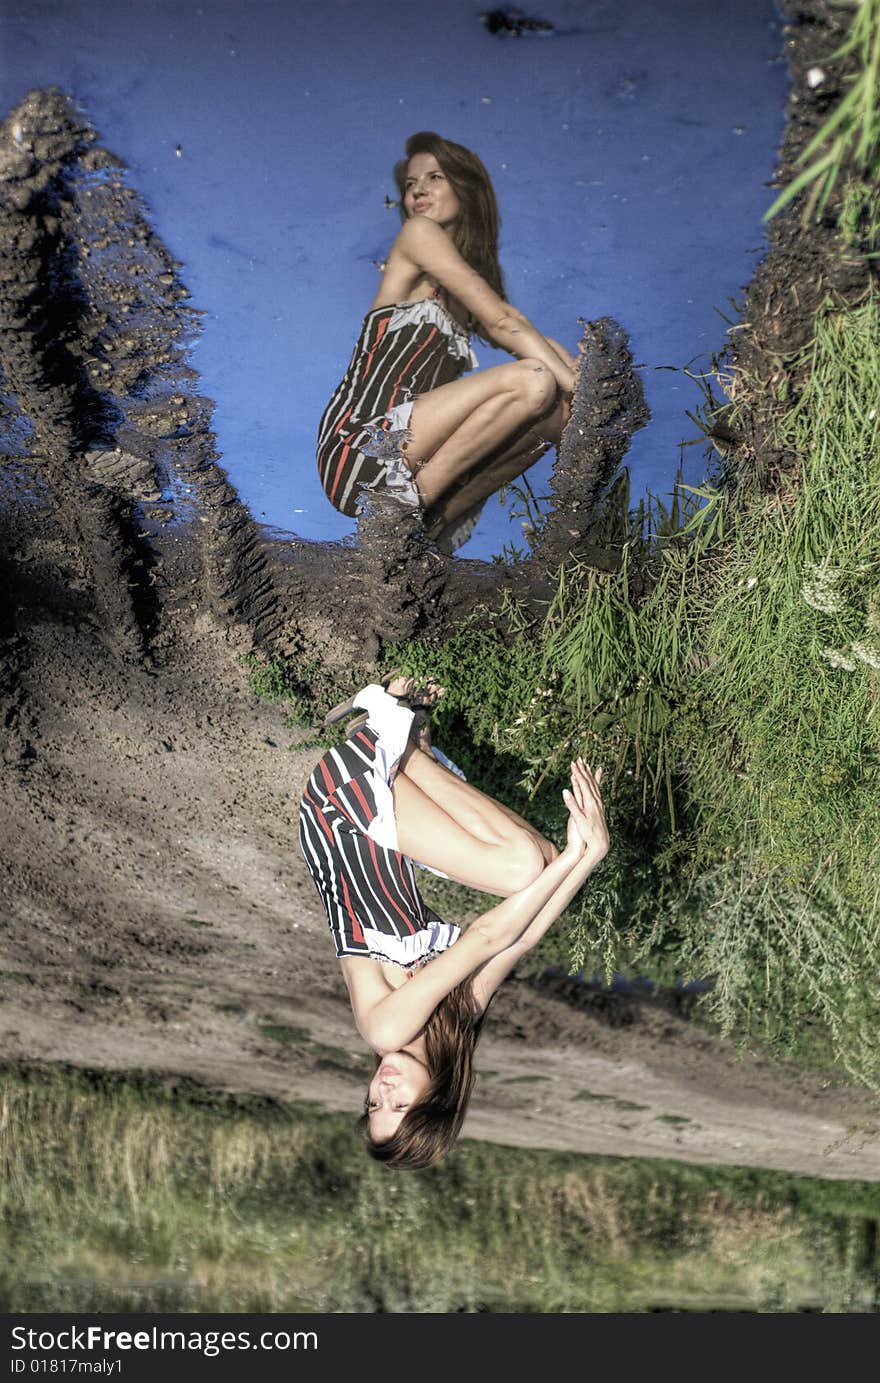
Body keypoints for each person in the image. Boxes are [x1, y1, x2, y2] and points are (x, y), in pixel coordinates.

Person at [298, 677, 609, 1169]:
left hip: (340, 812)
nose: (384, 1089)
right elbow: (519, 941)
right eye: (400, 1105)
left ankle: (392, 736)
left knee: (525, 870)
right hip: (383, 829)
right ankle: (405, 742)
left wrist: (575, 855)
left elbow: (488, 935)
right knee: (540, 864)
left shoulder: (384, 1029)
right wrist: (589, 855)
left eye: (374, 1103)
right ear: (437, 1098)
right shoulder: (454, 1022)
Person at [316, 131, 578, 551]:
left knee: (558, 408)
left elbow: (516, 323)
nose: (418, 189)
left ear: (465, 189)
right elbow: (503, 321)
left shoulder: (462, 286)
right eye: (410, 184)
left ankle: (430, 530)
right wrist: (583, 389)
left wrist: (581, 388)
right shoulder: (418, 234)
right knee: (534, 380)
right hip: (361, 447)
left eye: (434, 177)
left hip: (414, 455)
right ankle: (398, 512)